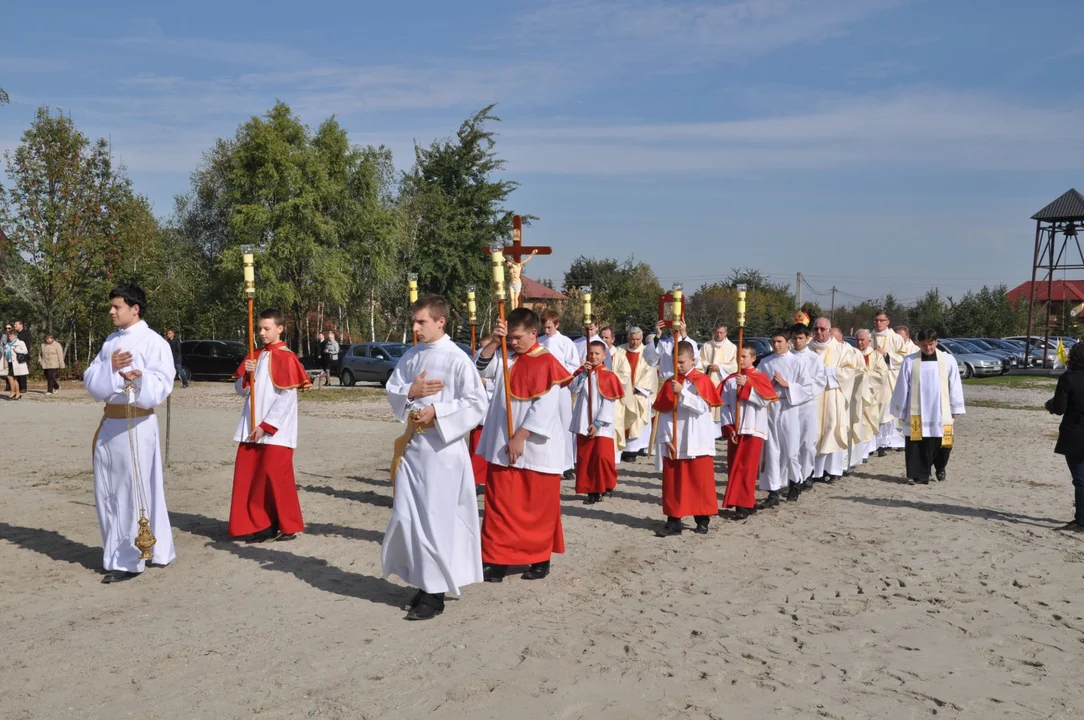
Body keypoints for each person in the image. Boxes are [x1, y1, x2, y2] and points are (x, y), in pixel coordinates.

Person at [383, 294, 489, 620]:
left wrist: (437, 412)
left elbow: (476, 403)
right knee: (408, 517)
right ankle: (421, 580)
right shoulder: (413, 355)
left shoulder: (457, 359)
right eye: (414, 322)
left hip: (442, 452)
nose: (415, 328)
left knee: (435, 521)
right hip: (414, 449)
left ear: (440, 321)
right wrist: (410, 393)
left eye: (421, 322)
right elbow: (394, 387)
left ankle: (434, 595)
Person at [83, 283, 176, 583]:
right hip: (111, 423)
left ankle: (128, 560)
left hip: (137, 423)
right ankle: (149, 551)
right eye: (111, 306)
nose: (111, 311)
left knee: (132, 491)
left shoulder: (153, 341)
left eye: (117, 307)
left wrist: (140, 379)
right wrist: (109, 367)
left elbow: (163, 381)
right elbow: (91, 381)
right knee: (109, 491)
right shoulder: (111, 341)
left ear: (135, 309)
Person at [474, 308, 572, 582]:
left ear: (533, 333)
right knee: (500, 506)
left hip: (535, 448)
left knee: (537, 508)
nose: (514, 342)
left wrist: (521, 436)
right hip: (502, 447)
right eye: (511, 337)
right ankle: (496, 560)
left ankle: (540, 559)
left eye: (518, 337)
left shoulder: (548, 362)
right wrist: (495, 340)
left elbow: (546, 407)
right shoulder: (507, 357)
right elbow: (479, 368)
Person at [229, 308, 312, 543]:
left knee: (276, 478)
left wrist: (266, 426)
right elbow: (240, 390)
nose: (262, 333)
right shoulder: (254, 356)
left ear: (279, 328)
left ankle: (287, 524)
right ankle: (262, 525)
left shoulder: (287, 358)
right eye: (260, 329)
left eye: (267, 329)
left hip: (277, 431)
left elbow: (286, 399)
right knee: (252, 478)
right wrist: (246, 376)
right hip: (250, 428)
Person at [652, 341, 722, 537]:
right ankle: (673, 520)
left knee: (699, 481)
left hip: (697, 439)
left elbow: (702, 407)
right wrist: (666, 437)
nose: (678, 366)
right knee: (674, 482)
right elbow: (665, 412)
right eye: (675, 362)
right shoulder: (669, 382)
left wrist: (682, 392)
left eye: (682, 362)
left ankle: (702, 519)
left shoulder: (702, 381)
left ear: (693, 360)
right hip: (676, 439)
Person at [889, 329, 965, 485]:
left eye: (931, 344)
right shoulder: (910, 361)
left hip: (941, 410)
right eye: (924, 345)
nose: (928, 348)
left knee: (945, 442)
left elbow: (955, 384)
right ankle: (918, 475)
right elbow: (902, 386)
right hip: (918, 411)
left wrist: (954, 407)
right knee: (917, 443)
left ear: (936, 342)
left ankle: (940, 466)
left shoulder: (948, 360)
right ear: (918, 343)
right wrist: (901, 410)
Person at [755, 329, 816, 505]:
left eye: (780, 341)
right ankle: (773, 491)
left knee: (790, 450)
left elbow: (807, 389)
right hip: (771, 407)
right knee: (772, 449)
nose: (776, 345)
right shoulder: (765, 362)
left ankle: (795, 482)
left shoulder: (797, 363)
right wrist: (770, 385)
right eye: (773, 341)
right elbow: (758, 385)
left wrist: (787, 384)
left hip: (789, 407)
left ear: (787, 342)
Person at [720, 343, 777, 519]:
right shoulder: (730, 379)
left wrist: (747, 387)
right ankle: (748, 502)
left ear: (753, 358)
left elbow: (765, 401)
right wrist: (728, 426)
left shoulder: (759, 377)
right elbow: (724, 405)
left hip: (753, 429)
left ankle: (742, 506)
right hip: (735, 430)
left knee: (747, 468)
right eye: (739, 356)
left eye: (744, 357)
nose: (741, 360)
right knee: (734, 467)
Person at [570, 340, 623, 504]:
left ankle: (606, 484)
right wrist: (583, 374)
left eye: (597, 354)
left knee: (601, 457)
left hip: (601, 425)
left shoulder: (609, 376)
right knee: (586, 458)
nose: (593, 356)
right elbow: (573, 388)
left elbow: (608, 402)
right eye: (590, 353)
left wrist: (599, 423)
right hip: (584, 421)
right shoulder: (582, 372)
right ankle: (592, 491)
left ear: (604, 356)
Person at [809, 318, 858, 484]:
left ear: (829, 330)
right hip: (812, 398)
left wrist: (827, 373)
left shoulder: (841, 349)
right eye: (816, 329)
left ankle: (834, 470)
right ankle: (813, 471)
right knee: (813, 432)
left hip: (832, 395)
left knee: (833, 428)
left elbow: (850, 371)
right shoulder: (808, 349)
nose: (819, 332)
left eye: (822, 329)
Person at [1045, 343, 1084, 532]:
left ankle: (1081, 520)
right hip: (1077, 430)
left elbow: (1059, 408)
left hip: (1076, 432)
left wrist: (1049, 405)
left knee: (1080, 480)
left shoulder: (1068, 378)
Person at [538, 309, 581, 480]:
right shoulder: (539, 342)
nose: (546, 331)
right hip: (543, 388)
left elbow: (573, 364)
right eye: (544, 327)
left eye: (549, 327)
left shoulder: (566, 342)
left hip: (561, 387)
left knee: (564, 425)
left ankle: (566, 464)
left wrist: (560, 375)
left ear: (557, 324)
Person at [790, 323, 827, 488]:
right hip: (789, 405)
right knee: (791, 442)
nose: (797, 341)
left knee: (807, 442)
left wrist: (798, 391)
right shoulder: (787, 357)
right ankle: (793, 476)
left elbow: (819, 382)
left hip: (807, 404)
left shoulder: (814, 359)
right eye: (794, 338)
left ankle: (807, 473)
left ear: (807, 338)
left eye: (800, 338)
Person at [615, 327, 657, 462]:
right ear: (628, 338)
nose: (635, 342)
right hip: (621, 393)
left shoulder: (646, 352)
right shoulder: (619, 350)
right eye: (632, 339)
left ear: (641, 339)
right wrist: (622, 389)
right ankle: (621, 449)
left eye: (638, 339)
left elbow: (649, 373)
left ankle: (633, 451)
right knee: (621, 418)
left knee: (637, 421)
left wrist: (635, 389)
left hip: (638, 393)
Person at [872, 311, 910, 455]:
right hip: (872, 379)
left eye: (882, 320)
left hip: (889, 379)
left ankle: (888, 442)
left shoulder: (895, 338)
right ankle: (874, 443)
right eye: (876, 320)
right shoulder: (869, 336)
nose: (878, 323)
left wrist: (886, 355)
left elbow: (903, 357)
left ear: (888, 322)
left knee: (886, 409)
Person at [852, 330, 889, 467]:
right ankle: (855, 453)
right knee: (855, 423)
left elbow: (882, 374)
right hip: (854, 396)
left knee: (867, 424)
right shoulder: (852, 354)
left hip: (870, 396)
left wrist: (865, 376)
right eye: (857, 340)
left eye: (862, 340)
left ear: (869, 341)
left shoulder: (876, 356)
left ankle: (865, 453)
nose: (860, 342)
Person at [4, 328, 28, 400]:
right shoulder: (8, 344)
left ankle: (12, 392)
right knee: (14, 379)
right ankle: (17, 394)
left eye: (11, 336)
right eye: (9, 336)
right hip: (9, 362)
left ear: (15, 336)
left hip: (17, 363)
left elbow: (25, 351)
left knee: (9, 377)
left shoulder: (20, 342)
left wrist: (16, 350)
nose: (10, 337)